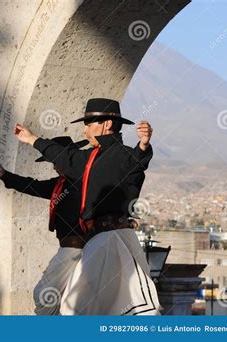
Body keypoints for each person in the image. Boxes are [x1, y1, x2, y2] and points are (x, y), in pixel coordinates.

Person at [13, 98, 161, 315]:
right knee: (87, 309)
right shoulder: (89, 158)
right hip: (98, 240)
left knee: (81, 308)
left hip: (112, 238)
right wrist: (31, 139)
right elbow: (62, 155)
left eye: (89, 124)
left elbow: (137, 161)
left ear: (107, 124)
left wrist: (144, 144)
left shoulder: (121, 154)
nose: (84, 131)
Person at [0, 136, 88, 315]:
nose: (54, 166)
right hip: (69, 250)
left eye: (56, 160)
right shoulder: (60, 185)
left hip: (76, 250)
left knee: (43, 295)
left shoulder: (85, 183)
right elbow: (32, 186)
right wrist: (5, 175)